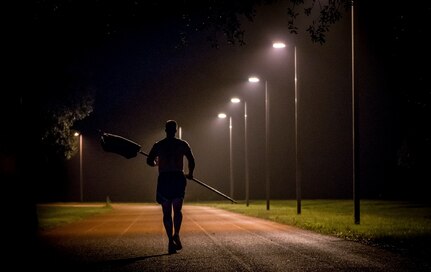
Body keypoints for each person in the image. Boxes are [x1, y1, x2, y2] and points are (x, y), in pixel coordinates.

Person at [146, 120, 195, 254]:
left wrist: (155, 162)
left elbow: (149, 161)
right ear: (175, 130)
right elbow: (191, 160)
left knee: (166, 212)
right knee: (177, 210)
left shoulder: (158, 145)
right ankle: (176, 234)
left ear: (166, 130)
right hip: (178, 178)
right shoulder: (182, 144)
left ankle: (169, 241)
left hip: (165, 179)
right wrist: (190, 173)